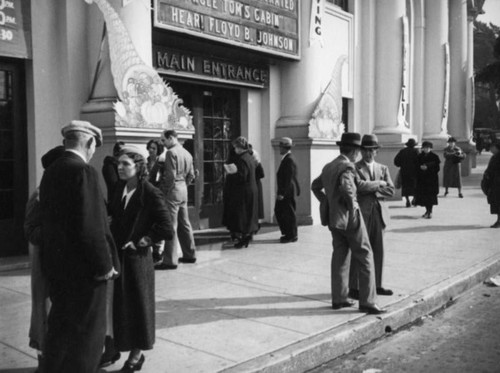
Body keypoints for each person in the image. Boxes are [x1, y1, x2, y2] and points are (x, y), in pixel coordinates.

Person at [39, 120, 119, 373]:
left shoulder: (51, 170)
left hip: (58, 266)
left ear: (66, 142)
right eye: (95, 145)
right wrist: (105, 266)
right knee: (87, 337)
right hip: (85, 272)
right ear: (89, 143)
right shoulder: (83, 171)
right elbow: (91, 226)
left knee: (61, 329)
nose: (94, 150)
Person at [108, 145, 173, 372]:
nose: (120, 167)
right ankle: (114, 347)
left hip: (137, 260)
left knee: (139, 308)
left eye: (126, 164)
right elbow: (115, 217)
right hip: (118, 257)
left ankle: (136, 356)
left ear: (139, 167)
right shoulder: (118, 188)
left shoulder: (150, 192)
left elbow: (167, 228)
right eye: (119, 164)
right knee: (119, 306)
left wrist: (142, 241)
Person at [311, 132, 386, 315]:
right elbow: (349, 187)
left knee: (340, 257)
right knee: (365, 255)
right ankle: (368, 302)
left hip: (334, 219)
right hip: (350, 219)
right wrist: (352, 206)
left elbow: (315, 186)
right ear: (354, 151)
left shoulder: (329, 166)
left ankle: (339, 298)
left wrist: (327, 202)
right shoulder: (348, 167)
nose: (360, 154)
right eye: (359, 150)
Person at [24, 145, 65, 373]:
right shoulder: (39, 195)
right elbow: (30, 229)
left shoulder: (65, 191)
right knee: (44, 308)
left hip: (62, 263)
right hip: (44, 263)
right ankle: (44, 359)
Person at [349, 135, 395, 301]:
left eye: (371, 150)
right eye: (365, 150)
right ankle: (353, 287)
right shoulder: (355, 168)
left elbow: (391, 190)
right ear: (361, 151)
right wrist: (379, 184)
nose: (368, 153)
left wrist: (374, 189)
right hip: (362, 213)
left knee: (379, 249)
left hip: (379, 213)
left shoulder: (383, 168)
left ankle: (377, 285)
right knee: (359, 249)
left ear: (376, 151)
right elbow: (358, 188)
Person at [155, 129, 197, 270]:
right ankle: (190, 254)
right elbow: (191, 175)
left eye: (164, 140)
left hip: (173, 190)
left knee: (171, 225)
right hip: (183, 188)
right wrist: (184, 184)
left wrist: (165, 191)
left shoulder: (171, 153)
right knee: (184, 223)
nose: (163, 143)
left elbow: (170, 176)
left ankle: (170, 260)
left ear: (171, 138)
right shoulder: (187, 153)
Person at [222, 136, 259, 248]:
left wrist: (230, 173)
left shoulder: (241, 159)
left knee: (242, 215)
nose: (235, 149)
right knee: (248, 214)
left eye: (236, 147)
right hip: (250, 189)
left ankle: (244, 238)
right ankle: (246, 235)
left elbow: (242, 176)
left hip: (243, 191)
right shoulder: (249, 157)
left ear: (239, 147)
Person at [275, 137, 301, 243]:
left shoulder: (288, 160)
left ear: (285, 148)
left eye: (281, 147)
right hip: (287, 190)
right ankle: (288, 233)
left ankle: (292, 235)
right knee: (282, 211)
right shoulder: (287, 158)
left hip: (287, 191)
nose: (279, 149)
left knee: (288, 213)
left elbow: (288, 178)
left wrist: (282, 193)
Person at [415, 141, 441, 219]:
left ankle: (430, 211)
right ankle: (427, 211)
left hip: (431, 180)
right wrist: (420, 168)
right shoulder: (419, 156)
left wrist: (428, 168)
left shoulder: (435, 156)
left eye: (427, 148)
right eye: (424, 148)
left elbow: (437, 168)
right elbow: (415, 166)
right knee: (424, 197)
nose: (426, 149)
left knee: (431, 196)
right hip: (422, 180)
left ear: (430, 148)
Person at [394, 138, 419, 207]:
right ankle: (414, 199)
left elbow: (396, 161)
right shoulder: (416, 151)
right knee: (415, 187)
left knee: (405, 187)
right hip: (414, 173)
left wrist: (401, 165)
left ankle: (407, 200)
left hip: (404, 172)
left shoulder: (402, 151)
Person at [482, 142, 500, 228]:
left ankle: (499, 221)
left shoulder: (497, 157)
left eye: (492, 147)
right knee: (496, 201)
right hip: (495, 183)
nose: (491, 149)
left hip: (497, 183)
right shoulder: (495, 157)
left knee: (497, 201)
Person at [249, 144, 265, 228]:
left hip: (256, 184)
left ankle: (256, 223)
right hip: (254, 184)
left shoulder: (256, 162)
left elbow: (262, 174)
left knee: (256, 205)